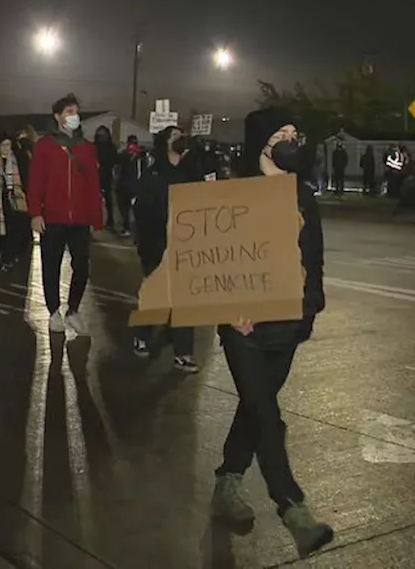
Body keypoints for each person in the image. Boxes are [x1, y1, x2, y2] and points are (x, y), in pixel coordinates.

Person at [209, 107, 333, 558]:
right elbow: (214, 258)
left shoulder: (301, 193)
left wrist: (309, 309)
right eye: (281, 134)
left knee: (254, 407)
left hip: (287, 322)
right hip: (243, 325)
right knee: (268, 415)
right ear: (261, 140)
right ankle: (293, 509)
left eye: (294, 134)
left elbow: (313, 256)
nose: (290, 141)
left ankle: (227, 482)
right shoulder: (233, 191)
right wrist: (229, 309)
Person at [26, 93, 103, 335]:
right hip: (53, 217)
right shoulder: (45, 146)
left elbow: (93, 183)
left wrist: (96, 216)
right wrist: (35, 213)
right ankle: (53, 312)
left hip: (79, 218)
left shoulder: (87, 148)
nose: (74, 116)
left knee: (82, 265)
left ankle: (73, 310)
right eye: (69, 112)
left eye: (76, 111)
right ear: (58, 117)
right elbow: (36, 181)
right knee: (51, 265)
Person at [132, 125, 199, 372]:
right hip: (157, 243)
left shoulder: (190, 171)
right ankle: (142, 335)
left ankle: (184, 353)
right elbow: (143, 210)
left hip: (185, 243)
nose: (179, 139)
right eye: (174, 136)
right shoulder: (154, 174)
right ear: (165, 143)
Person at [0, 132, 31, 271]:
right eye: (4, 145)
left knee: (15, 229)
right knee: (1, 231)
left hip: (15, 199)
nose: (7, 148)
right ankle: (1, 254)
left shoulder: (18, 159)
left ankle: (9, 257)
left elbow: (25, 177)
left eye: (9, 145)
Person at [114, 135, 142, 236]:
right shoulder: (127, 155)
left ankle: (130, 228)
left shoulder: (138, 156)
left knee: (129, 209)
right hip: (127, 186)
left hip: (130, 186)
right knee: (126, 209)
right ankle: (128, 228)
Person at [93, 125, 118, 231]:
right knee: (95, 200)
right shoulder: (94, 147)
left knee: (108, 200)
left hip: (106, 176)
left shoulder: (110, 147)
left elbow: (114, 160)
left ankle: (109, 221)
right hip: (95, 176)